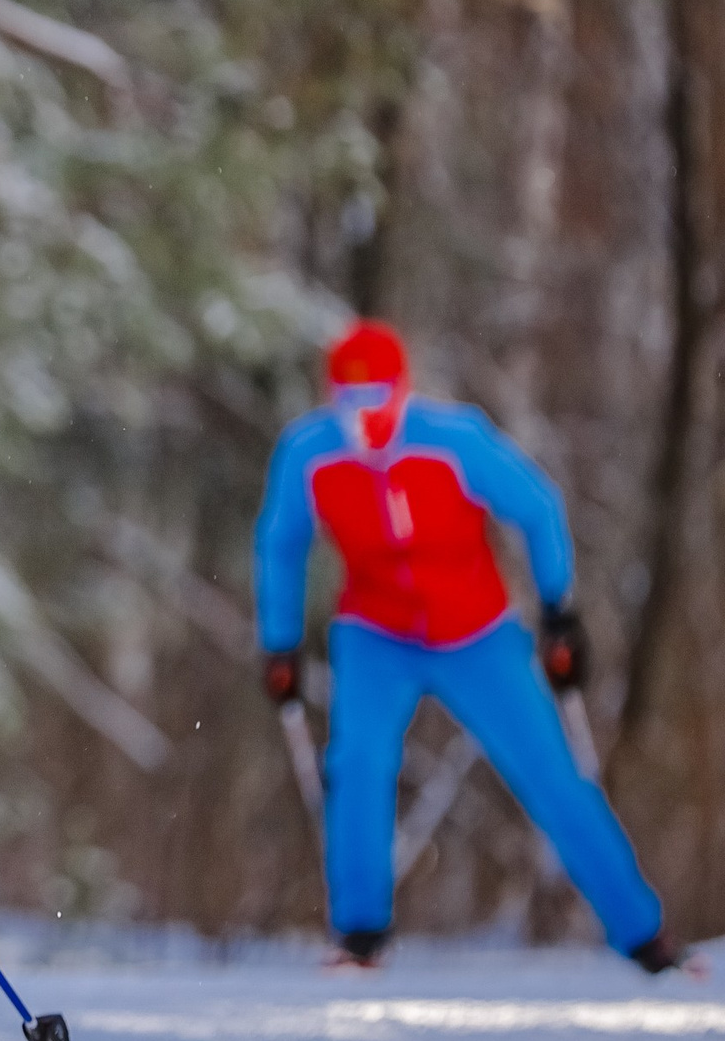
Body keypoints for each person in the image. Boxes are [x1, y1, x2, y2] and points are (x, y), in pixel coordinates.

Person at [254, 320, 690, 973]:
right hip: (374, 632)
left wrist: (558, 610)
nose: (365, 417)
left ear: (403, 390)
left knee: (550, 773)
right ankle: (361, 932)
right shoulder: (308, 452)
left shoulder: (454, 437)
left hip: (476, 632)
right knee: (359, 765)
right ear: (331, 396)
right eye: (351, 400)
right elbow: (280, 543)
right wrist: (279, 642)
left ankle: (643, 934)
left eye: (377, 398)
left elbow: (538, 506)